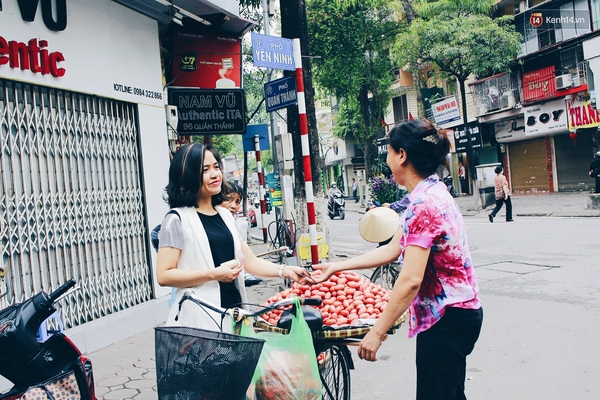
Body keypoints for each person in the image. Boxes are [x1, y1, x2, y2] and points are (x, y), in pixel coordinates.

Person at [313, 120, 483, 400]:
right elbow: (393, 249)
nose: (387, 160)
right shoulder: (430, 193)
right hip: (459, 315)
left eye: (389, 152)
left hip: (448, 320)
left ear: (402, 155)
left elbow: (410, 280)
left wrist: (377, 333)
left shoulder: (424, 204)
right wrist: (337, 266)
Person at [156, 143, 312, 332]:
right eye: (205, 170)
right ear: (188, 175)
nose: (215, 174)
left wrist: (286, 270)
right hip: (199, 319)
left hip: (234, 313)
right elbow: (164, 275)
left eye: (216, 167)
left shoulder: (225, 216)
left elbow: (250, 261)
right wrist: (213, 274)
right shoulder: (176, 219)